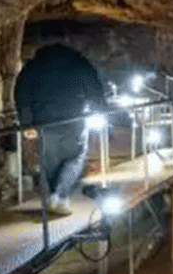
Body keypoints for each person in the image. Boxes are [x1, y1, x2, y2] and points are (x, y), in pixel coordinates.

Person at [13, 44, 108, 216]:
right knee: (75, 158)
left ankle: (52, 196)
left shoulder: (34, 66)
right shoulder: (79, 64)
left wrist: (26, 123)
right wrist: (100, 110)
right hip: (74, 120)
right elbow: (94, 88)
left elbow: (22, 93)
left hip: (44, 122)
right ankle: (59, 196)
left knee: (49, 162)